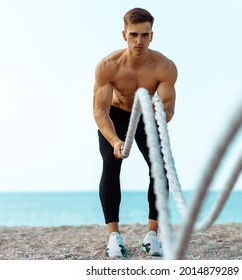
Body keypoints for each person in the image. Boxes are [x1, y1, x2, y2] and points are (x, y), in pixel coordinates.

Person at [93, 7, 178, 258]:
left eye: (144, 35)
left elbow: (169, 110)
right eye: (133, 35)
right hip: (116, 118)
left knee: (160, 170)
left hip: (146, 118)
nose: (139, 41)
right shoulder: (109, 66)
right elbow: (100, 111)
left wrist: (158, 111)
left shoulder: (164, 67)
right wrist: (115, 140)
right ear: (124, 35)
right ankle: (113, 236)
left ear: (152, 36)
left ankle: (152, 235)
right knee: (110, 165)